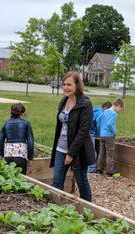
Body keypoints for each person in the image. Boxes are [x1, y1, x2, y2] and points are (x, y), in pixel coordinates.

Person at [50, 71, 95, 202]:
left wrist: (71, 153)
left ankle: (88, 208)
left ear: (77, 85)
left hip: (78, 151)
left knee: (81, 181)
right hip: (60, 147)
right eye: (64, 84)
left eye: (69, 84)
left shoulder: (85, 104)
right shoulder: (63, 101)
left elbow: (83, 131)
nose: (65, 87)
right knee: (57, 181)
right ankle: (54, 209)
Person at [0, 103, 35, 174]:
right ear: (23, 113)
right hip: (21, 156)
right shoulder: (26, 123)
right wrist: (30, 157)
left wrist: (3, 154)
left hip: (8, 155)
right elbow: (31, 142)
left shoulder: (6, 123)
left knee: (9, 179)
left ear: (11, 112)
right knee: (21, 181)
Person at [96, 98, 125, 177]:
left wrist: (100, 130)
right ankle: (110, 172)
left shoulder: (105, 111)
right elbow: (110, 124)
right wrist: (114, 131)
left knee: (101, 152)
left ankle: (99, 170)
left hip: (102, 135)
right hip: (109, 136)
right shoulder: (114, 114)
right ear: (118, 106)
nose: (119, 111)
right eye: (120, 109)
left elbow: (98, 120)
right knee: (110, 154)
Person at [87, 101, 112, 173]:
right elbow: (98, 123)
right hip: (91, 133)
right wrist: (99, 134)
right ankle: (91, 168)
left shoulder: (95, 109)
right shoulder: (101, 113)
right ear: (106, 108)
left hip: (86, 131)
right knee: (92, 151)